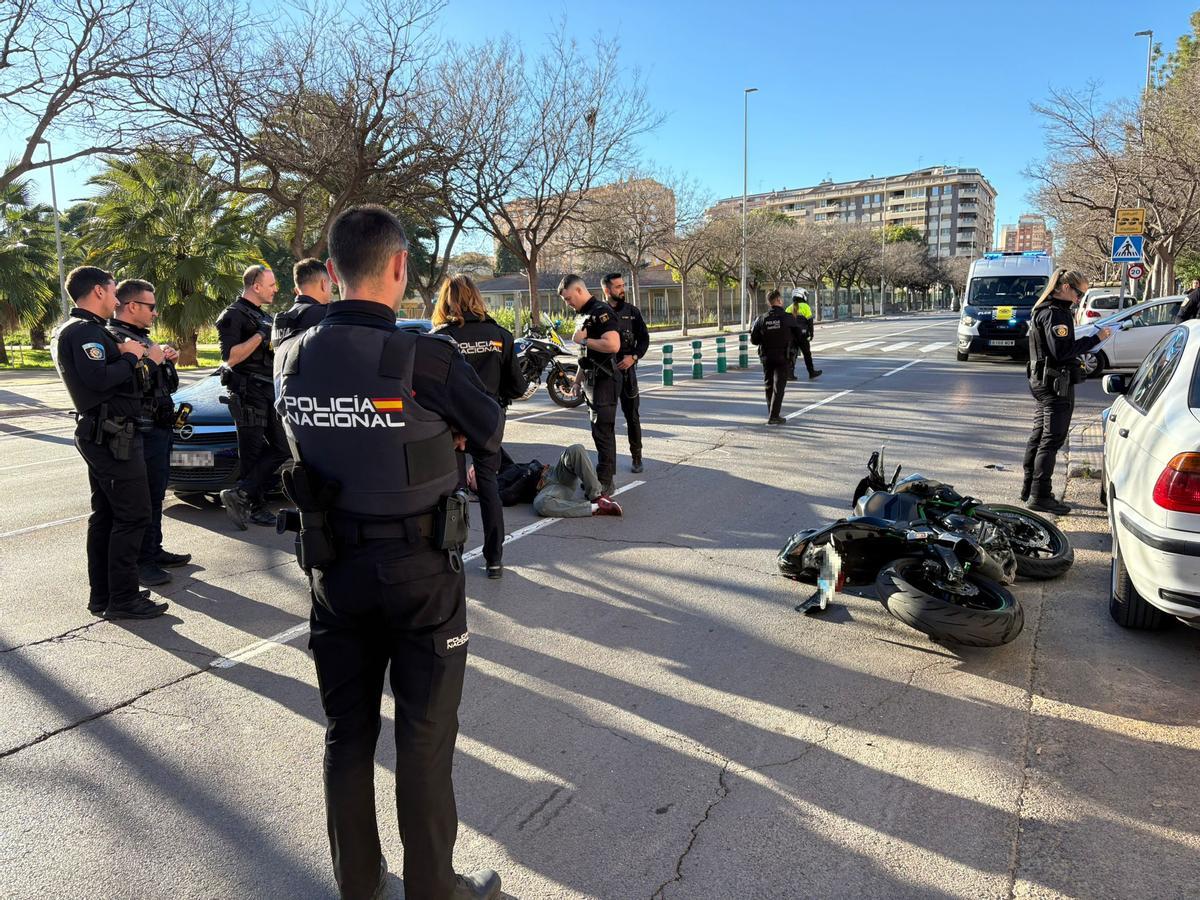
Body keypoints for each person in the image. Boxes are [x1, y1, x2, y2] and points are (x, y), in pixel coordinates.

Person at [275, 205, 503, 900]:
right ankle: (434, 887)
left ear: (335, 271)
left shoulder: (290, 354)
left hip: (333, 568)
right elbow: (488, 430)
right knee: (425, 737)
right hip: (419, 572)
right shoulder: (424, 354)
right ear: (400, 266)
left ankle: (359, 881)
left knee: (347, 734)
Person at [51, 266, 167, 620]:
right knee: (133, 515)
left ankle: (105, 594)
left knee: (107, 516)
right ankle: (123, 598)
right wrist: (133, 356)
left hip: (109, 432)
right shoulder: (83, 333)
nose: (117, 300)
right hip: (111, 435)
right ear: (99, 291)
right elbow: (99, 379)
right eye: (114, 292)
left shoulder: (91, 331)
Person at [432, 274, 527, 579]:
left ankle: (453, 556)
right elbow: (517, 386)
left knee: (454, 490)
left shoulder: (440, 338)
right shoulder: (500, 335)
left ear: (447, 299)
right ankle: (494, 559)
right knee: (489, 489)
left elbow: (432, 389)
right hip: (489, 423)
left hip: (451, 427)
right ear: (476, 297)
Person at [107, 279, 192, 587]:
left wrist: (166, 361)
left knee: (156, 495)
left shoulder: (141, 338)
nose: (155, 313)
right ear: (132, 306)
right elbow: (124, 386)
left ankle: (153, 550)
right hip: (139, 430)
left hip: (158, 426)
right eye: (151, 307)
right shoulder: (115, 338)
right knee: (142, 500)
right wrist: (151, 361)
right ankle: (142, 562)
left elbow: (166, 385)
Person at [1022, 268, 1112, 515]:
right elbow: (1061, 351)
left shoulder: (1045, 310)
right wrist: (1095, 339)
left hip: (1044, 381)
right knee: (1051, 440)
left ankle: (1029, 487)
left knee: (1040, 436)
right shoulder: (1055, 314)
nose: (1079, 299)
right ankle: (1040, 495)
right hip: (1054, 385)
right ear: (1065, 287)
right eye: (1079, 293)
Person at [216, 264, 288, 530]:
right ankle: (253, 507)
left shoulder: (262, 315)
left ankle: (242, 493)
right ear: (256, 286)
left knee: (282, 447)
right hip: (248, 392)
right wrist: (260, 335)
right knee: (252, 452)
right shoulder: (233, 315)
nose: (275, 289)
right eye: (271, 285)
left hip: (267, 389)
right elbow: (231, 357)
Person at [560, 273, 622, 494]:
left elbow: (613, 345)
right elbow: (586, 355)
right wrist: (577, 382)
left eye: (568, 299)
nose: (568, 304)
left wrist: (584, 339)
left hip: (605, 380)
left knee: (603, 431)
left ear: (579, 290)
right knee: (598, 431)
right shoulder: (584, 314)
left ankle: (606, 481)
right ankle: (601, 477)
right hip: (592, 380)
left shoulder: (601, 312)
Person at [467, 446, 624, 518]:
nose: (475, 477)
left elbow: (494, 447)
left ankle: (597, 496)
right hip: (548, 489)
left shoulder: (504, 468)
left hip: (555, 472)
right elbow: (509, 497)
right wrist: (528, 474)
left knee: (575, 450)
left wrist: (476, 462)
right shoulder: (496, 490)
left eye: (474, 475)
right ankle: (595, 508)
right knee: (541, 504)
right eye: (473, 482)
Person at [602, 273, 650, 473]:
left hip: (628, 374)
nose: (623, 289)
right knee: (607, 421)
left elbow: (644, 339)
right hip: (606, 375)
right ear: (607, 290)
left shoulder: (632, 312)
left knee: (632, 417)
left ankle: (636, 457)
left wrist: (634, 357)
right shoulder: (598, 312)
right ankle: (608, 464)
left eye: (623, 285)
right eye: (618, 286)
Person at [750, 289, 803, 425]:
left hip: (766, 357)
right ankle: (774, 416)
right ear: (779, 300)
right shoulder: (788, 318)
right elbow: (799, 336)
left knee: (768, 385)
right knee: (779, 387)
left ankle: (772, 413)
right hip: (783, 357)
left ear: (769, 303)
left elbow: (754, 340)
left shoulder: (761, 319)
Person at [272, 257, 334, 346]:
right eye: (330, 283)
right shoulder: (325, 314)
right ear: (323, 284)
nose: (331, 290)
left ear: (297, 290)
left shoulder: (281, 320)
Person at [787, 288, 821, 381]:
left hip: (791, 336)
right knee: (807, 354)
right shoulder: (806, 307)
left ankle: (790, 374)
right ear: (802, 295)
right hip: (802, 335)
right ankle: (811, 372)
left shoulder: (789, 307)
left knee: (791, 354)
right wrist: (811, 333)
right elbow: (810, 321)